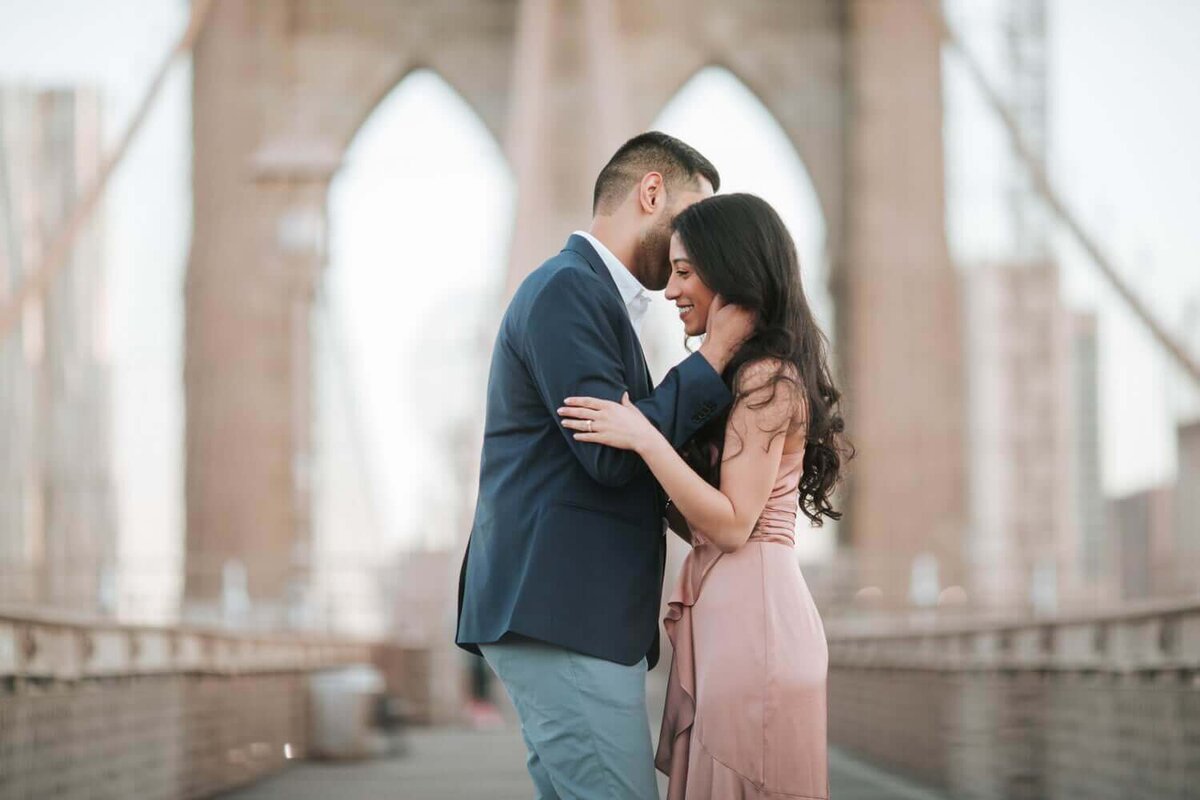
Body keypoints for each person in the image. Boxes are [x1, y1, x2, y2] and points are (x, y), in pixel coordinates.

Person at [455, 132, 755, 799]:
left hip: (565, 611)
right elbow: (609, 456)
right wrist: (713, 360)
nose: (695, 252)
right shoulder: (568, 290)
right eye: (689, 221)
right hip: (563, 610)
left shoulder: (586, 294)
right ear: (651, 192)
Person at [558, 192, 850, 800]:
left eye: (686, 272)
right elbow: (698, 516)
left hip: (757, 628)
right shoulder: (740, 375)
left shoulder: (769, 377)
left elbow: (735, 525)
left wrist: (644, 438)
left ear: (732, 275)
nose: (670, 290)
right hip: (736, 620)